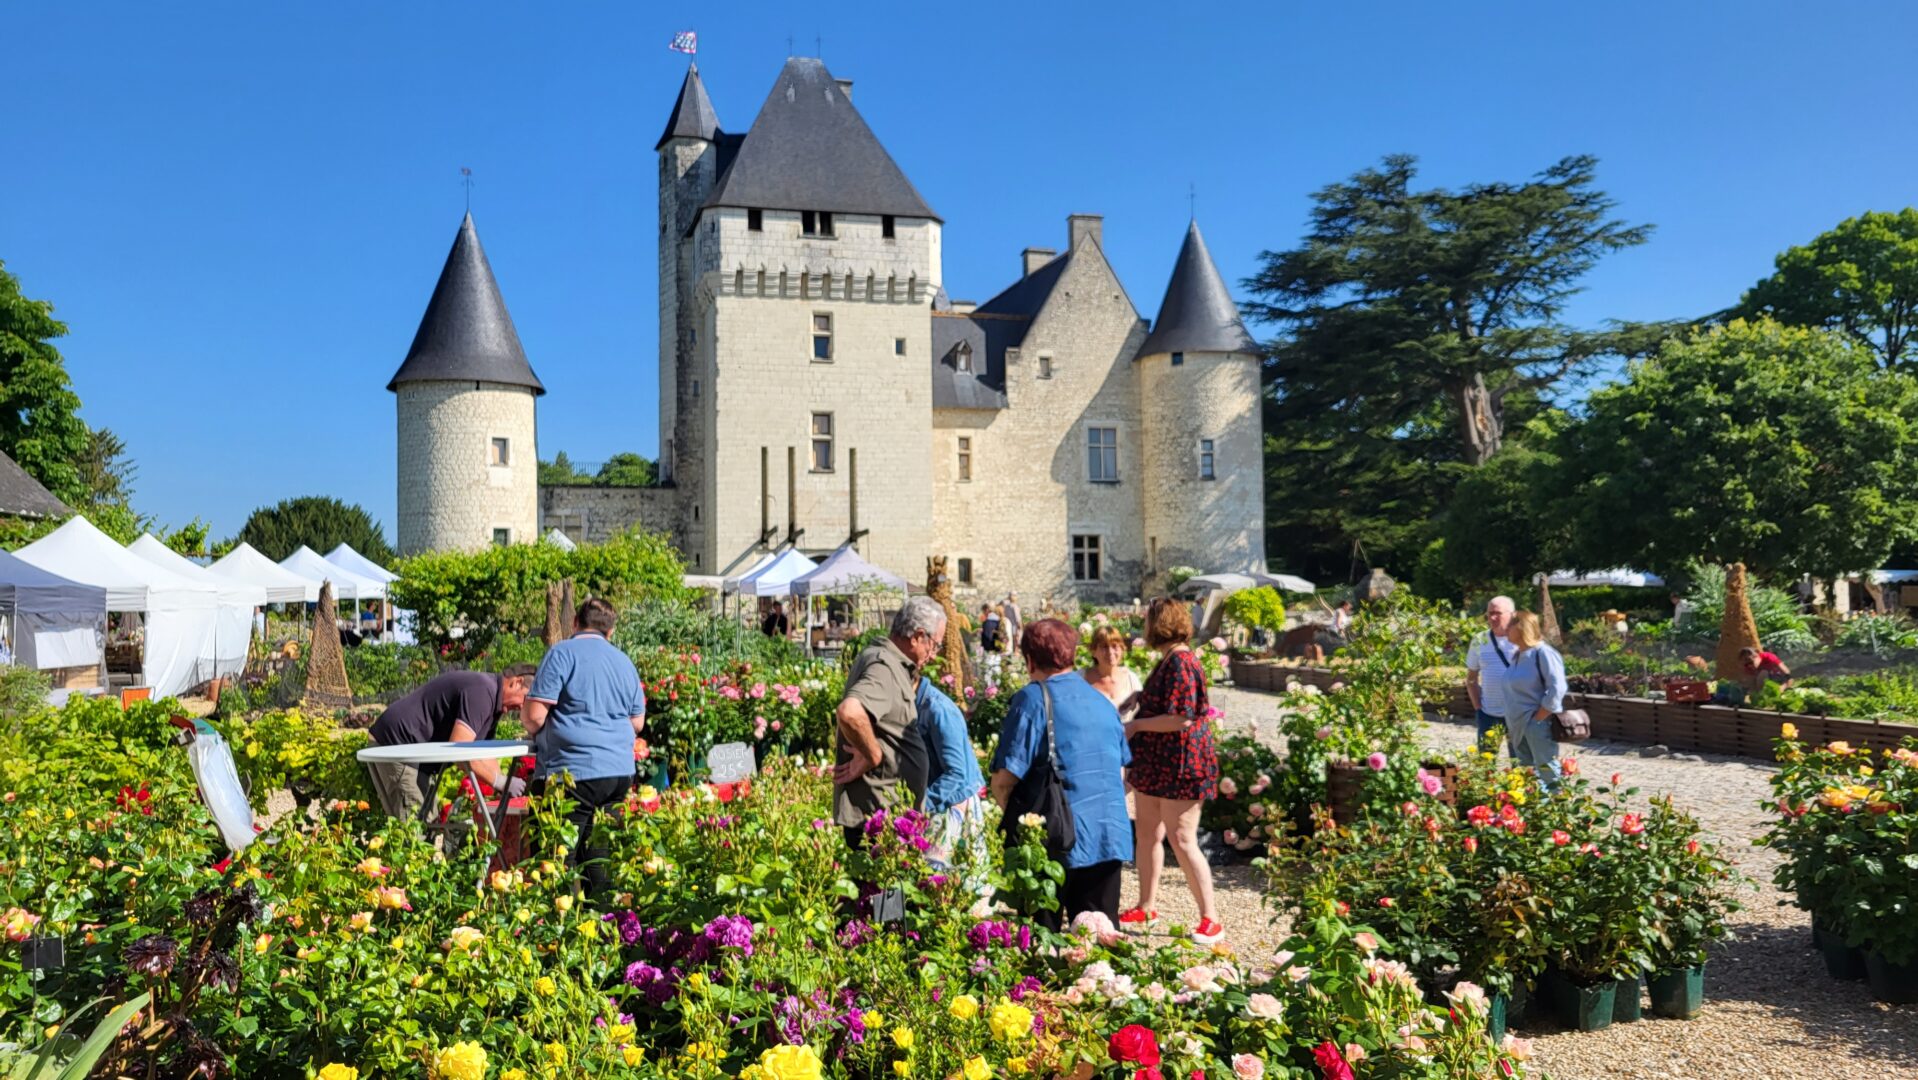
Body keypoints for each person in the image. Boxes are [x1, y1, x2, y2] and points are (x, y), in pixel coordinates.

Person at [990, 619, 1132, 923]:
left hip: (1054, 839)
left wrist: (1021, 822)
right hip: (1108, 836)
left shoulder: (1032, 699)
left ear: (1029, 659)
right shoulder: (1102, 701)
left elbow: (1004, 780)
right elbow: (1122, 772)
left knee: (1042, 948)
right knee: (1098, 947)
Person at [523, 597, 648, 899]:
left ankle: (556, 929)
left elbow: (534, 716)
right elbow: (638, 722)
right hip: (617, 772)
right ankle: (603, 924)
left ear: (575, 623)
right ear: (611, 631)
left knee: (558, 857)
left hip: (571, 771)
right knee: (599, 857)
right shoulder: (623, 660)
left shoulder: (562, 653)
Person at [1120, 598, 1224, 944]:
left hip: (1182, 763)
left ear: (1158, 624)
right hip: (1161, 762)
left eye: (1148, 620)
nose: (1144, 627)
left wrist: (1136, 727)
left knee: (1182, 838)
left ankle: (1210, 918)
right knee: (1148, 833)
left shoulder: (1180, 662)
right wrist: (1141, 696)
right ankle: (1146, 905)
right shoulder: (1172, 659)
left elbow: (1182, 718)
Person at [833, 597, 942, 848]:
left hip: (888, 816)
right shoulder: (885, 666)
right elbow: (850, 712)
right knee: (881, 888)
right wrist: (873, 755)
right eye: (934, 645)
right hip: (878, 821)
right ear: (917, 636)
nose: (934, 656)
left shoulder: (893, 664)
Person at [367, 664, 538, 820]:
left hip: (414, 751)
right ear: (517, 682)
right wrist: (498, 781)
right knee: (415, 825)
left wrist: (503, 786)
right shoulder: (482, 692)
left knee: (429, 819)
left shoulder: (493, 702)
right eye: (525, 701)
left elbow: (483, 752)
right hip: (397, 744)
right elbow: (460, 751)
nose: (523, 708)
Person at [915, 675, 987, 882]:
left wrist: (918, 807)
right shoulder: (915, 706)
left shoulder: (938, 709)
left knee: (949, 887)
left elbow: (956, 773)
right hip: (937, 807)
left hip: (952, 808)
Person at [1503, 610, 1567, 789]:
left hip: (1536, 724)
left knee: (1547, 771)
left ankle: (1556, 811)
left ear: (1521, 627)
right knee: (1526, 774)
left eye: (1510, 625)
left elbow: (1558, 687)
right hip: (1517, 724)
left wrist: (1539, 718)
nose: (1506, 629)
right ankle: (1534, 812)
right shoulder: (1518, 656)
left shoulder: (1543, 653)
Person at [1464, 596, 1518, 754]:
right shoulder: (1479, 640)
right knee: (1485, 767)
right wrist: (1479, 709)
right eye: (1489, 614)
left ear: (1512, 615)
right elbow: (1471, 679)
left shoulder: (1522, 639)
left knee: (1521, 767)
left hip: (1517, 714)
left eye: (1498, 613)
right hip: (1488, 714)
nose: (1492, 618)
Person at [1083, 624, 1143, 714]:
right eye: (1104, 647)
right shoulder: (1081, 680)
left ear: (1122, 649)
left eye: (1115, 646)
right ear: (1093, 651)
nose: (1110, 652)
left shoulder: (1131, 679)